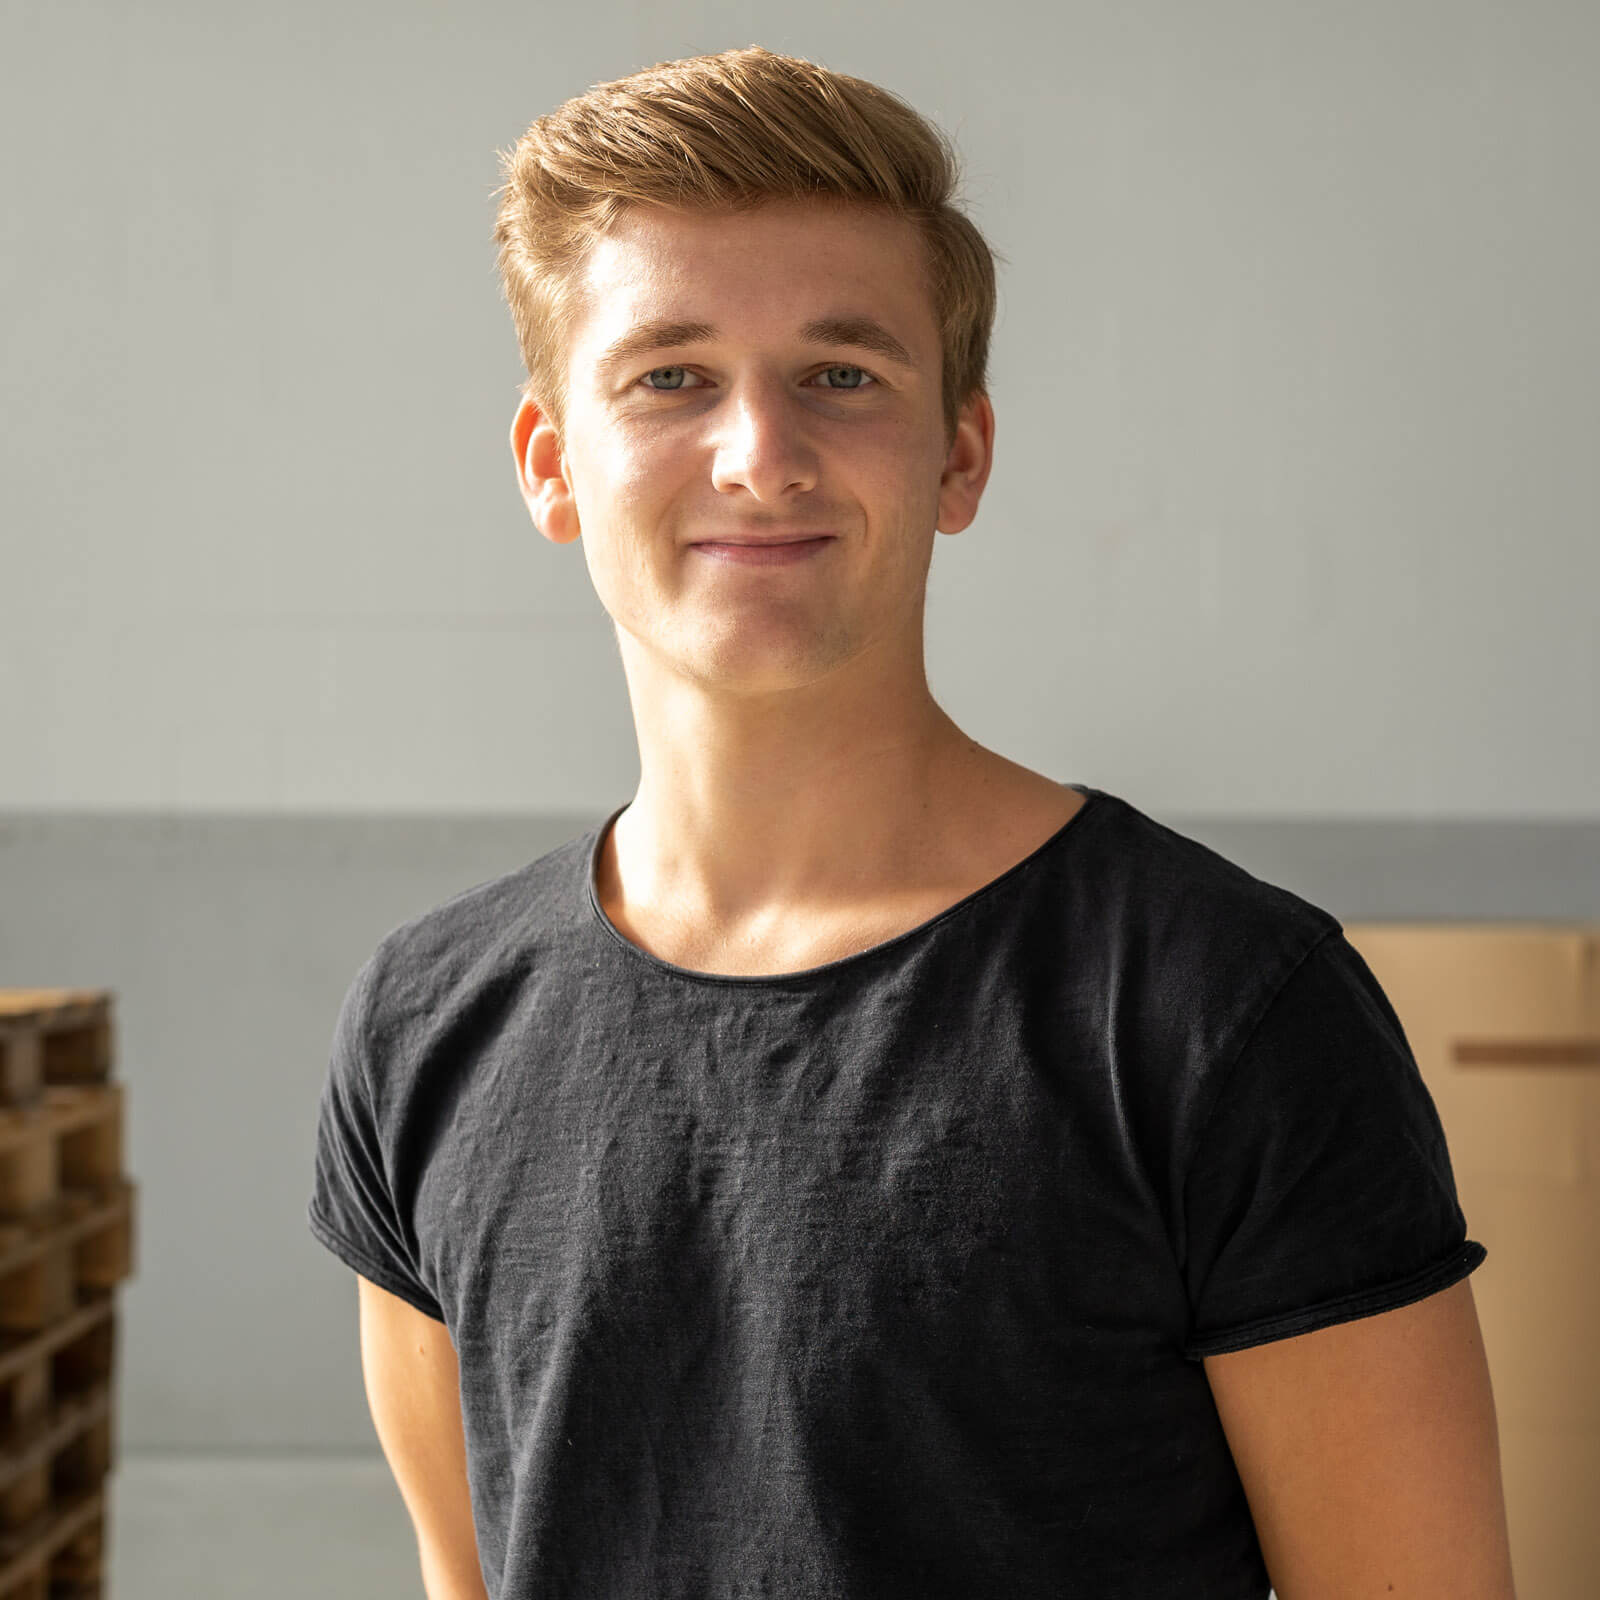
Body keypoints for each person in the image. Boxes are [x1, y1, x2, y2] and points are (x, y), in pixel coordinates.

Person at [308, 45, 1517, 1600]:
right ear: (553, 465)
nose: (760, 454)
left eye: (842, 374)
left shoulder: (1223, 1012)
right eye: (671, 377)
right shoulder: (425, 1029)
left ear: (960, 453)